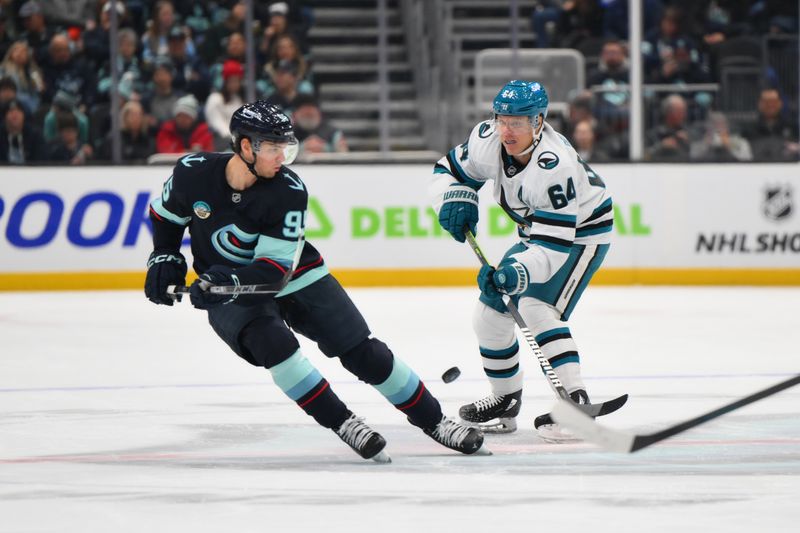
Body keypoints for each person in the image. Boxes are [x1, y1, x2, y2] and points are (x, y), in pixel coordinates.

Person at [144, 101, 485, 461]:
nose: (282, 157)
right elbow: (165, 216)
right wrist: (164, 255)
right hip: (229, 288)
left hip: (296, 277)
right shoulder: (191, 172)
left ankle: (435, 421)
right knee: (274, 346)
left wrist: (220, 280)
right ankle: (344, 423)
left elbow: (274, 272)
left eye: (285, 148)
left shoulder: (288, 190)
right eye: (273, 148)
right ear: (245, 147)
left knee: (363, 353)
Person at [430, 80, 613, 441]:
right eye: (502, 119)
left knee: (534, 306)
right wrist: (456, 198)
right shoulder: (487, 139)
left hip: (581, 234)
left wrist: (516, 273)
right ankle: (505, 400)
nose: (506, 129)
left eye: (518, 121)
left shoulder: (554, 165)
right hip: (537, 232)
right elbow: (447, 170)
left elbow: (554, 247)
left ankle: (576, 405)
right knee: (488, 315)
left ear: (539, 122)